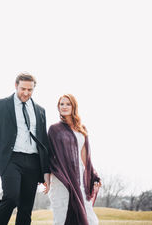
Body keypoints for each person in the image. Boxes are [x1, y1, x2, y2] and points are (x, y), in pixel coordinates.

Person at [0, 72, 50, 225]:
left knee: (26, 208)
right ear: (16, 86)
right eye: (23, 88)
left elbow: (43, 142)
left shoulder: (40, 110)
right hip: (11, 159)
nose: (26, 93)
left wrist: (45, 171)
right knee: (11, 197)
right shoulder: (0, 104)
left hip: (33, 161)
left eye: (29, 90)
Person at [47, 94, 101, 225]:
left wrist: (93, 175)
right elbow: (49, 155)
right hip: (62, 180)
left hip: (80, 179)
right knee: (62, 217)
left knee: (89, 218)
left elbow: (85, 158)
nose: (64, 107)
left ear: (74, 106)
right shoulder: (54, 129)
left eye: (68, 104)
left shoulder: (82, 129)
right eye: (61, 104)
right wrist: (46, 178)